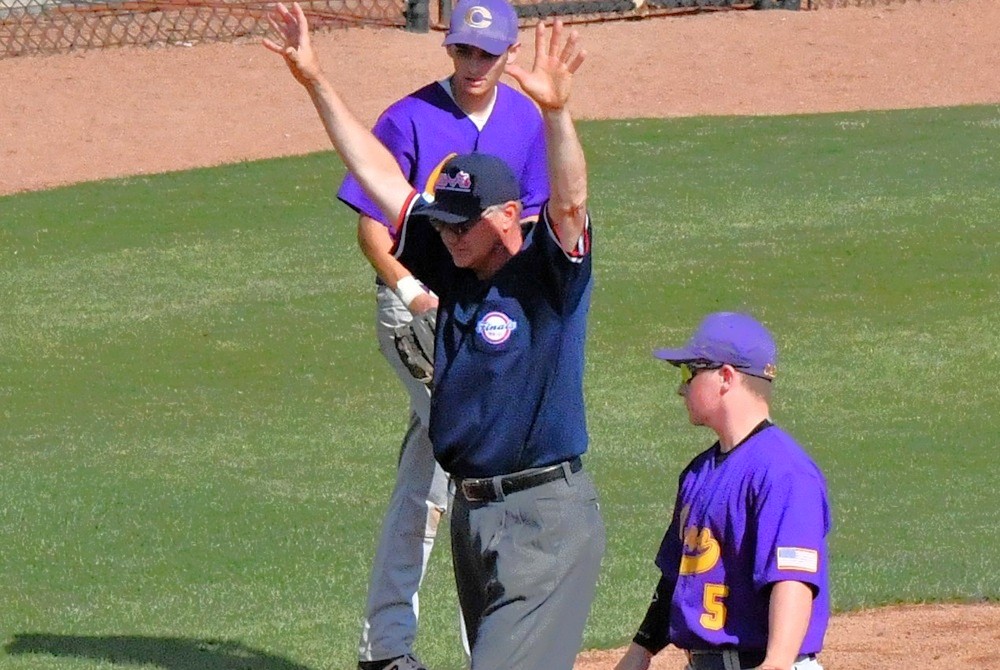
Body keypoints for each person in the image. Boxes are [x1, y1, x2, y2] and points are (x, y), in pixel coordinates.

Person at [265, 5, 605, 670]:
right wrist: (314, 82)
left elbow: (568, 205)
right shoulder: (454, 265)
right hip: (477, 524)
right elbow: (380, 180)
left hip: (542, 516)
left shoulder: (549, 280)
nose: (446, 235)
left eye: (460, 223)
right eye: (442, 223)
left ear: (509, 215)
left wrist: (559, 114)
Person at [334, 0, 549, 666]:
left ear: (511, 52)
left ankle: (384, 647)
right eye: (463, 51)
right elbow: (374, 225)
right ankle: (488, 648)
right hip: (419, 316)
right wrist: (410, 289)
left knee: (425, 478)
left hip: (486, 322)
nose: (473, 64)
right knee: (480, 468)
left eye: (486, 53)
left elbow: (529, 228)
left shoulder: (526, 121)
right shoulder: (407, 118)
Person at [615, 312, 831, 670]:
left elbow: (793, 576)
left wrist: (776, 663)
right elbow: (678, 574)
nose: (681, 388)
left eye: (689, 373)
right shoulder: (698, 472)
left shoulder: (783, 472)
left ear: (726, 377)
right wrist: (639, 652)